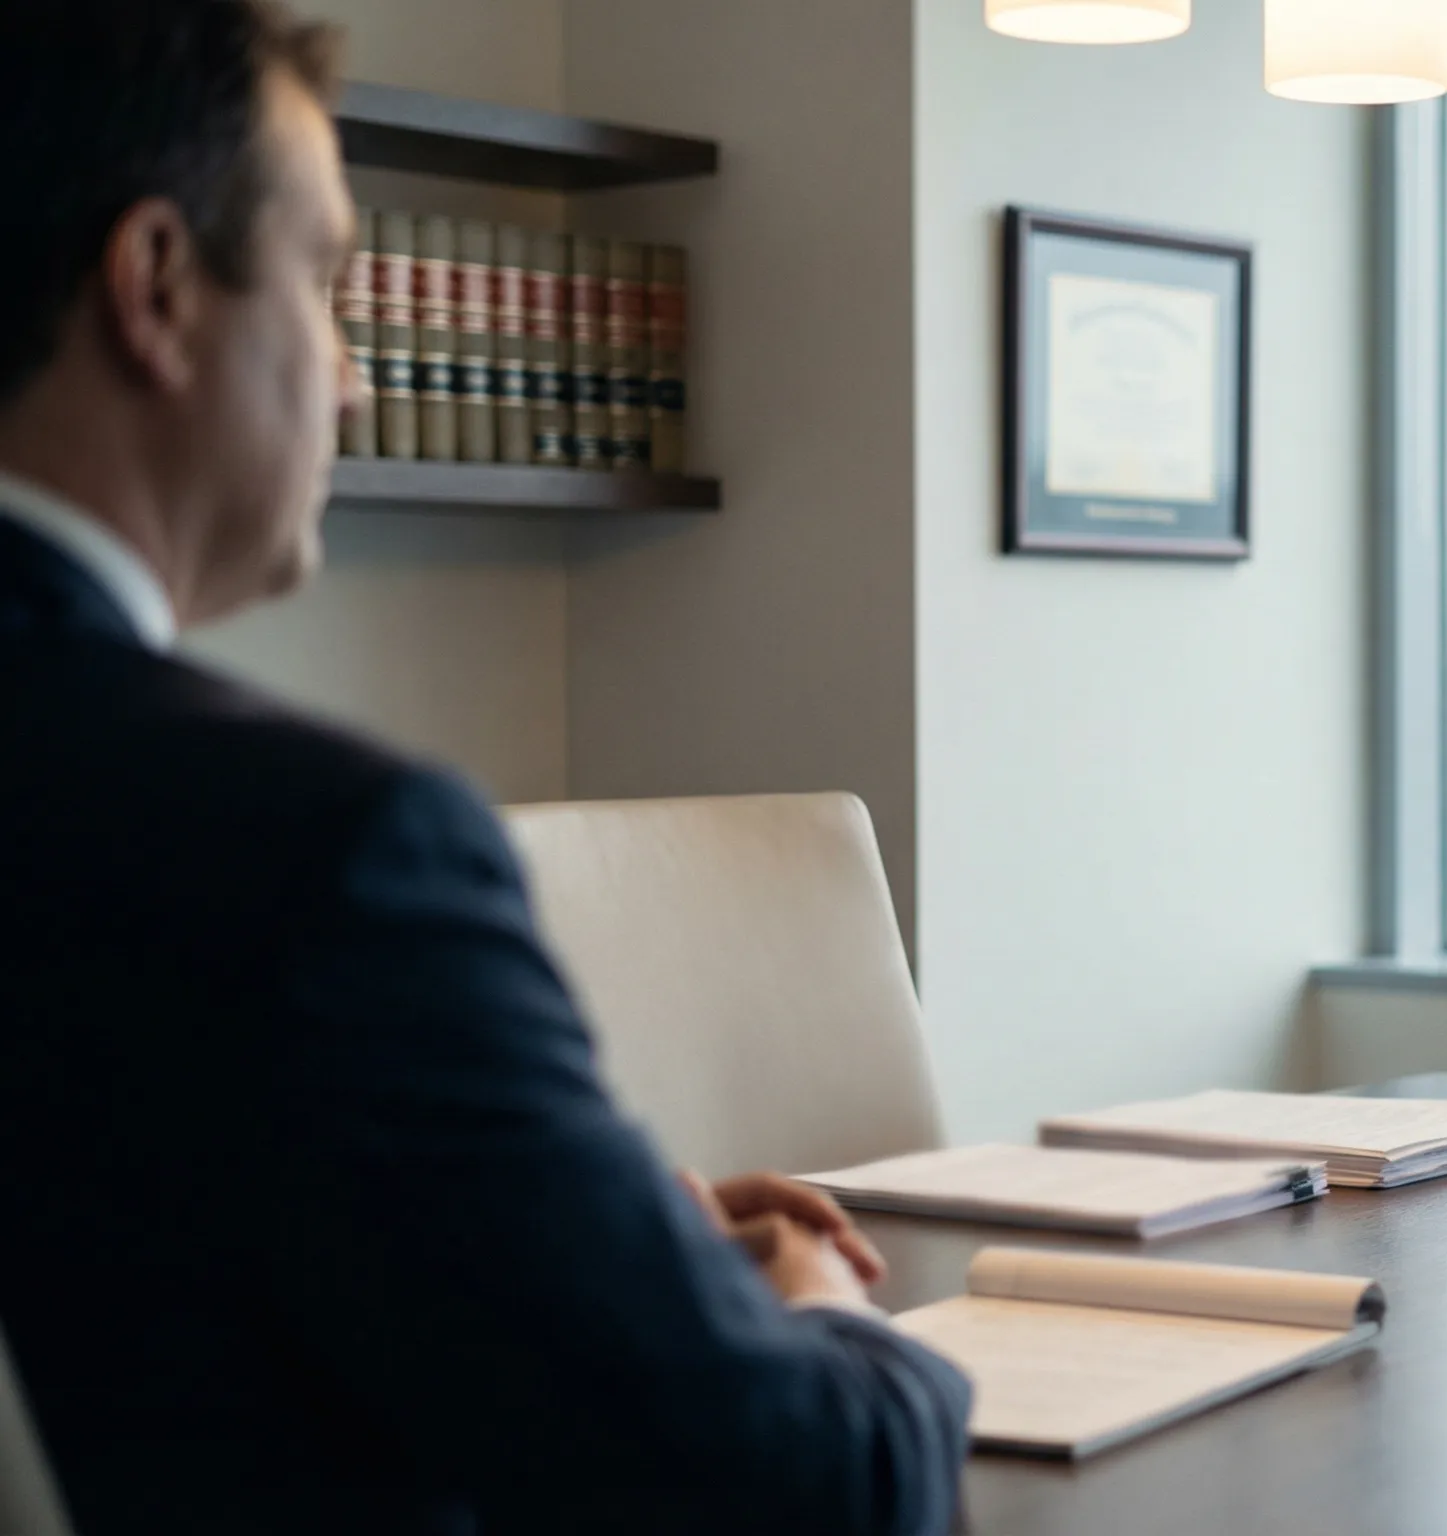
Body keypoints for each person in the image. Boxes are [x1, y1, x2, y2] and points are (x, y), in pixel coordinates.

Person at [0, 3, 970, 1530]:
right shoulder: (322, 852)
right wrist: (817, 1309)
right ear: (159, 289)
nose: (355, 380)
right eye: (325, 285)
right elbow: (807, 1489)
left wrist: (574, 1245)